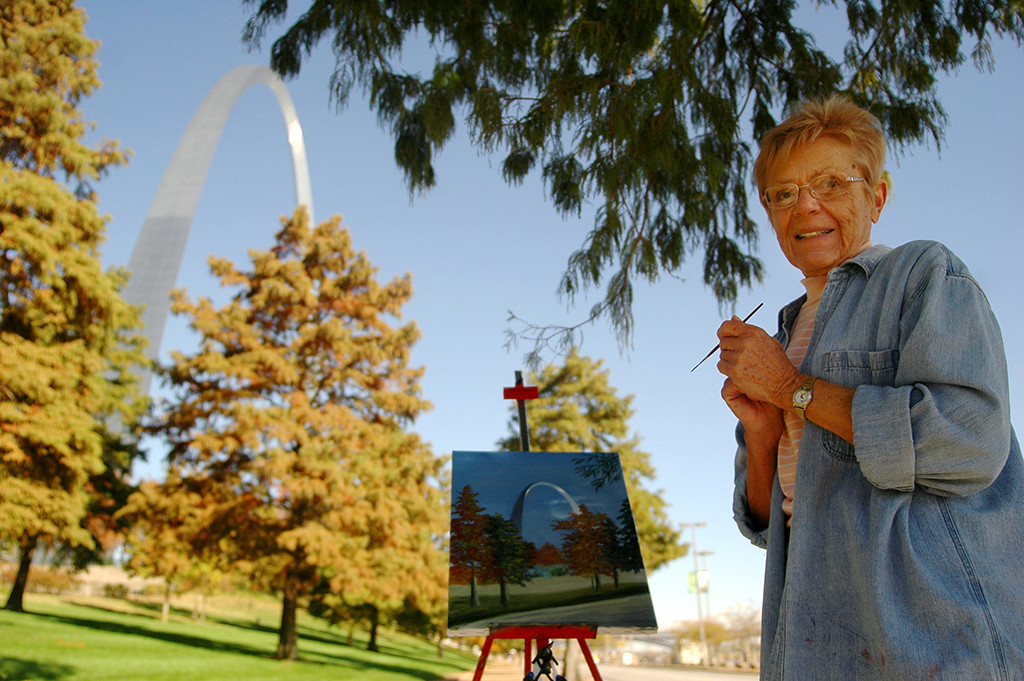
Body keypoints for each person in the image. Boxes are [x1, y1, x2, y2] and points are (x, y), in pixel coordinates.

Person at [717, 95, 1024, 679]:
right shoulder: (784, 333)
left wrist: (790, 389)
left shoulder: (925, 275)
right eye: (783, 194)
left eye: (830, 183)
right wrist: (761, 433)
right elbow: (764, 522)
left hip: (931, 639)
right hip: (814, 640)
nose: (805, 205)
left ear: (876, 196)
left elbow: (971, 443)